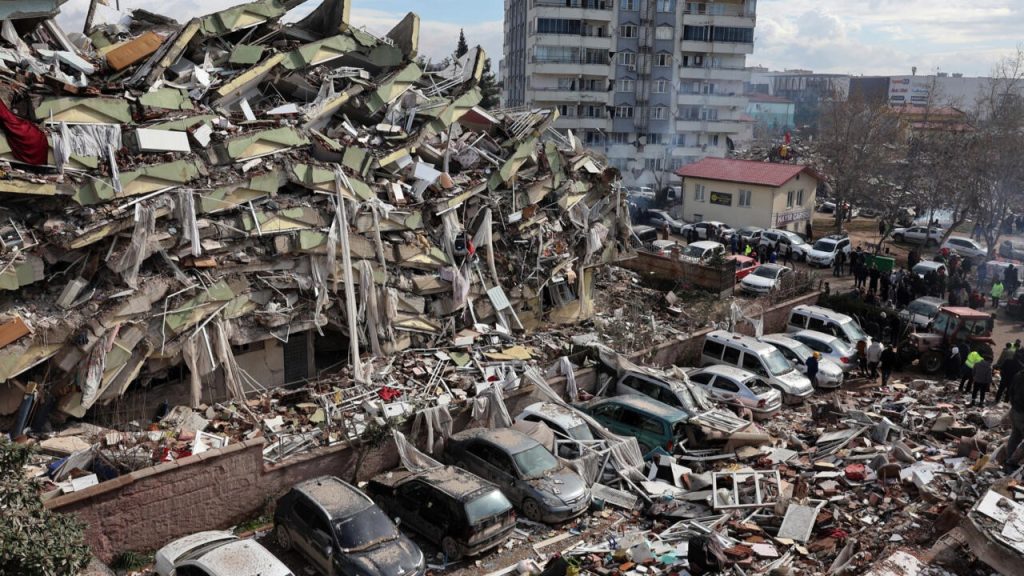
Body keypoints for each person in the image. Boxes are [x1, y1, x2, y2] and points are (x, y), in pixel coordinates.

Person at [1007, 370, 1024, 473]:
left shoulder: (1019, 374)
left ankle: (1009, 461)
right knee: (1015, 436)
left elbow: (1010, 390)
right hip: (1022, 413)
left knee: (1015, 436)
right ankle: (1012, 461)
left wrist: (1013, 404)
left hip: (1015, 410)